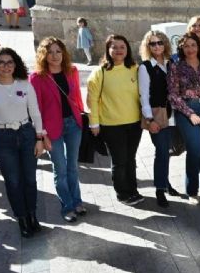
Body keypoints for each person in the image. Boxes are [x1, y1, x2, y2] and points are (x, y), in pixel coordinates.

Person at [0, 47, 45, 237]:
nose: (5, 66)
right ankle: (21, 219)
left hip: (26, 134)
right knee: (13, 182)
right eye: (1, 62)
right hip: (2, 138)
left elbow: (35, 113)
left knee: (29, 179)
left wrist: (39, 139)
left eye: (9, 62)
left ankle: (32, 216)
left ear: (15, 64)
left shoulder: (24, 84)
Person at [30, 37, 85, 222]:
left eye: (58, 51)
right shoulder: (37, 78)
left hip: (73, 125)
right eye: (50, 52)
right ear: (43, 56)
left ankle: (77, 201)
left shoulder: (72, 71)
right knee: (60, 169)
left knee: (73, 168)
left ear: (64, 53)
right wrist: (41, 135)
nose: (55, 56)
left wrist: (81, 118)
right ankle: (67, 207)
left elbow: (76, 97)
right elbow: (34, 108)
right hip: (51, 129)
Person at [87, 35, 143, 206]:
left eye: (122, 47)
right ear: (108, 50)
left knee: (131, 158)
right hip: (111, 125)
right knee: (119, 161)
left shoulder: (135, 68)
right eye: (114, 47)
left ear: (127, 49)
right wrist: (94, 123)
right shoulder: (100, 72)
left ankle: (133, 189)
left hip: (134, 123)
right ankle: (122, 193)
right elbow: (92, 100)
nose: (118, 50)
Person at [167, 32, 200, 204]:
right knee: (194, 150)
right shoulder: (176, 66)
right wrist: (190, 113)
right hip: (186, 109)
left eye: (193, 45)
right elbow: (173, 95)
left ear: (198, 46)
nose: (190, 49)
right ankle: (192, 191)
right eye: (186, 46)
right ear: (181, 48)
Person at [138, 30, 177, 208]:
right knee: (161, 151)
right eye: (152, 43)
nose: (157, 46)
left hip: (172, 114)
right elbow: (144, 96)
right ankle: (160, 190)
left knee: (168, 151)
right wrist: (149, 119)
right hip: (156, 115)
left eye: (159, 42)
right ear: (148, 46)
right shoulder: (145, 67)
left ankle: (166, 183)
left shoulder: (171, 64)